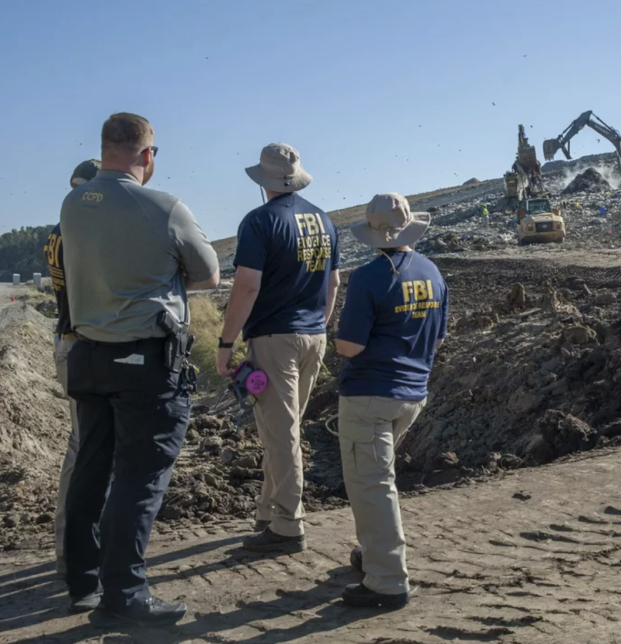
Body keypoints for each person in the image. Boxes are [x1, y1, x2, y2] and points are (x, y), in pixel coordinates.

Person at [60, 113, 219, 625]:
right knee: (140, 476)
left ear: (104, 148)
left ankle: (83, 581)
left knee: (91, 467)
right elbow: (209, 274)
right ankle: (124, 596)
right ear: (148, 156)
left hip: (88, 357)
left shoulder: (72, 204)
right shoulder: (164, 206)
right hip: (144, 361)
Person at [216, 143, 340, 553]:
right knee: (280, 428)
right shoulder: (323, 220)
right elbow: (334, 284)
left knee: (280, 431)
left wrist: (226, 343)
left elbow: (247, 286)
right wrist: (317, 326)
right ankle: (269, 513)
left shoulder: (259, 221)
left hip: (274, 339)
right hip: (313, 337)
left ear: (263, 181)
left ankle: (287, 524)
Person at [334, 193, 448, 609]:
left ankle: (386, 581)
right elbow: (437, 337)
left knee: (371, 484)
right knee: (377, 478)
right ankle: (374, 554)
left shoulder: (368, 277)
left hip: (370, 395)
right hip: (412, 394)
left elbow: (348, 345)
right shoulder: (432, 271)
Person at [45, 158, 100, 577]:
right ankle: (74, 551)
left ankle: (73, 548)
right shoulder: (82, 234)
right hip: (85, 346)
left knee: (83, 446)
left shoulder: (57, 233)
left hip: (69, 342)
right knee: (86, 449)